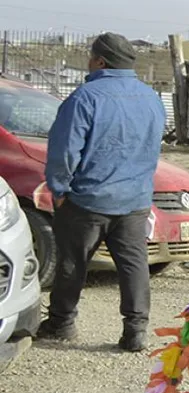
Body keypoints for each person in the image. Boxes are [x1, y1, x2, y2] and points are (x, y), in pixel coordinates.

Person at [35, 33, 166, 351]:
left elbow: (65, 150)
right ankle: (135, 332)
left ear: (100, 60)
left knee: (73, 262)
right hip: (134, 199)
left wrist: (60, 188)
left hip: (88, 200)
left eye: (90, 55)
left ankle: (61, 323)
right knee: (134, 264)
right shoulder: (151, 98)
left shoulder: (85, 97)